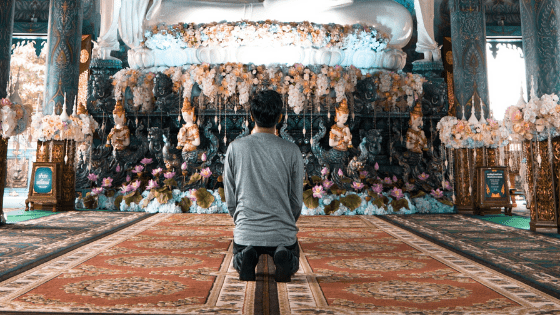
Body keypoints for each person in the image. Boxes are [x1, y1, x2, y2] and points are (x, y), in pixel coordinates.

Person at [224, 90, 304, 282]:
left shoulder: (235, 148)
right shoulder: (292, 151)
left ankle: (246, 254)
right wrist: (285, 220)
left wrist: (243, 220)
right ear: (281, 117)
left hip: (246, 230)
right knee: (292, 259)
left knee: (241, 252)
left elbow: (230, 198)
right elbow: (296, 201)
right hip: (283, 230)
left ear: (251, 116)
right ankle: (282, 254)